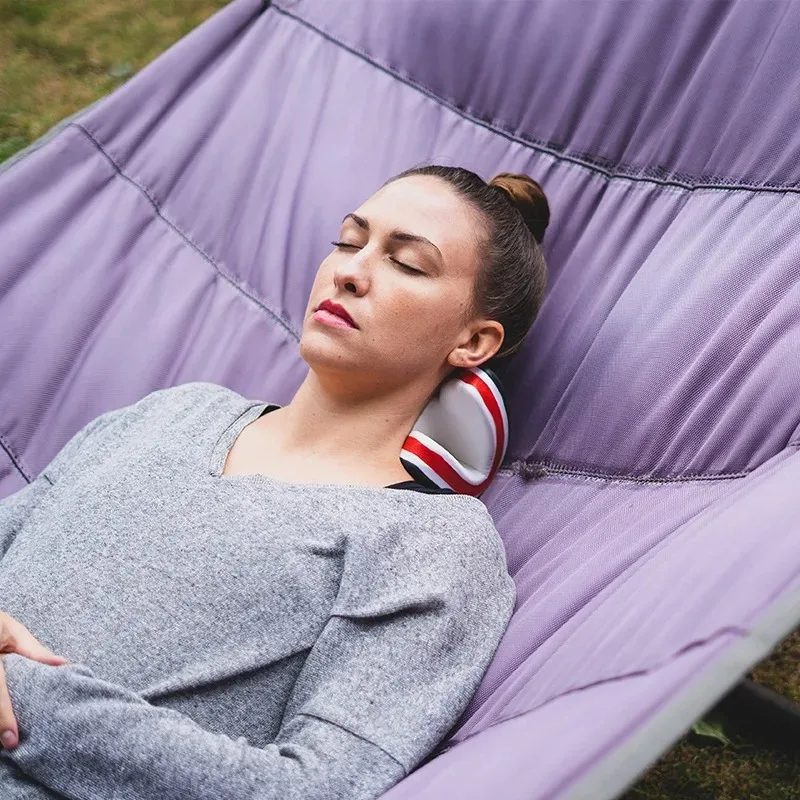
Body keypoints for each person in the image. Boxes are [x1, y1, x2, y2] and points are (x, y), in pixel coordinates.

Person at [0, 164, 549, 799]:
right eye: (349, 240)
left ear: (474, 340)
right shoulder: (173, 413)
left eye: (408, 263)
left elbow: (316, 787)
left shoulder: (429, 541)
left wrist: (24, 696)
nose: (349, 271)